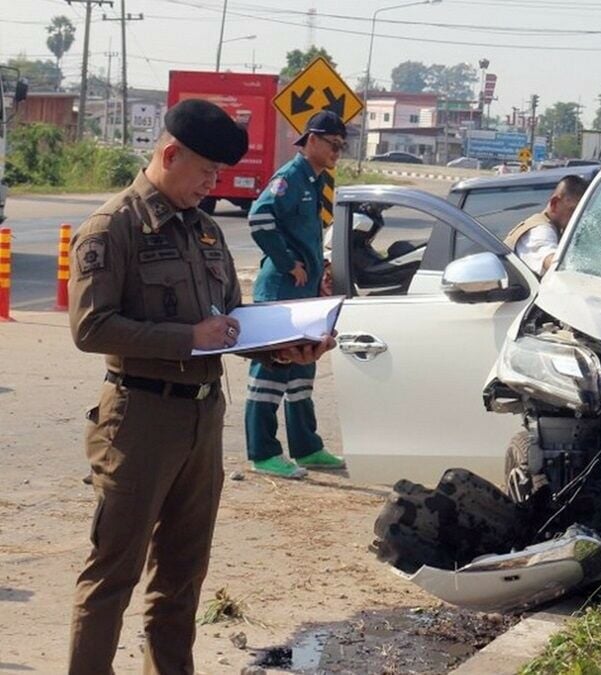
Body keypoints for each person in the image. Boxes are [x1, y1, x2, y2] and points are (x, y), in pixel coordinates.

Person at [67, 99, 335, 674]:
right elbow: (90, 327)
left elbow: (231, 322)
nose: (213, 185)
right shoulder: (113, 228)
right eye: (206, 173)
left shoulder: (205, 231)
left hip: (201, 420)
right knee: (112, 576)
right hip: (138, 420)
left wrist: (287, 344)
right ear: (169, 155)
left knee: (182, 578)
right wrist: (187, 337)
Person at [244, 110, 347, 478]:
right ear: (312, 140)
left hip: (304, 292)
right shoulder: (290, 177)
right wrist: (289, 263)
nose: (337, 152)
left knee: (303, 371)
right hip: (281, 291)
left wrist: (318, 270)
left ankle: (307, 448)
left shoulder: (315, 180)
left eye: (341, 146)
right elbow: (259, 218)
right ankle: (263, 452)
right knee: (271, 373)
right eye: (332, 145)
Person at [502, 174, 588, 275]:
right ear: (554, 204)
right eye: (573, 210)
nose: (578, 217)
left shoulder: (554, 227)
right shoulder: (540, 230)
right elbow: (554, 263)